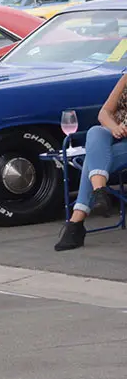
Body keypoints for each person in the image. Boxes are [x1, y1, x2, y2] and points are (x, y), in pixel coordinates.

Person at [54, 75, 127, 250]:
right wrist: (115, 128)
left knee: (92, 160)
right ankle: (99, 191)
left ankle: (76, 222)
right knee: (95, 131)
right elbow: (104, 113)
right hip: (115, 133)